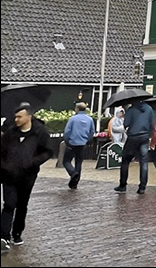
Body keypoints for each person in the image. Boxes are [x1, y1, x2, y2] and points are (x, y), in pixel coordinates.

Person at [1, 103, 53, 252]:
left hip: (27, 176)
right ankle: (3, 237)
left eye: (19, 116)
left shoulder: (40, 133)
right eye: (15, 116)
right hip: (9, 175)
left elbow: (47, 152)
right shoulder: (11, 133)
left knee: (22, 204)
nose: (16, 119)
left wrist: (33, 162)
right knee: (9, 204)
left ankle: (17, 233)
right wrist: (4, 165)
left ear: (28, 117)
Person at [115, 99, 155, 195]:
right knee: (144, 162)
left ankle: (123, 185)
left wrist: (127, 113)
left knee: (125, 160)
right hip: (144, 137)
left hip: (133, 137)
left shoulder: (131, 109)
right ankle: (142, 187)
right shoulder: (149, 109)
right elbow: (152, 125)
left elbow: (126, 124)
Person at [62, 102, 95, 189]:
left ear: (77, 109)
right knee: (79, 162)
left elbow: (67, 131)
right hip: (83, 143)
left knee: (66, 161)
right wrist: (87, 141)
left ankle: (73, 173)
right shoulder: (90, 119)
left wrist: (67, 141)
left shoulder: (73, 119)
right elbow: (92, 132)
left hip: (72, 143)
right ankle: (75, 183)